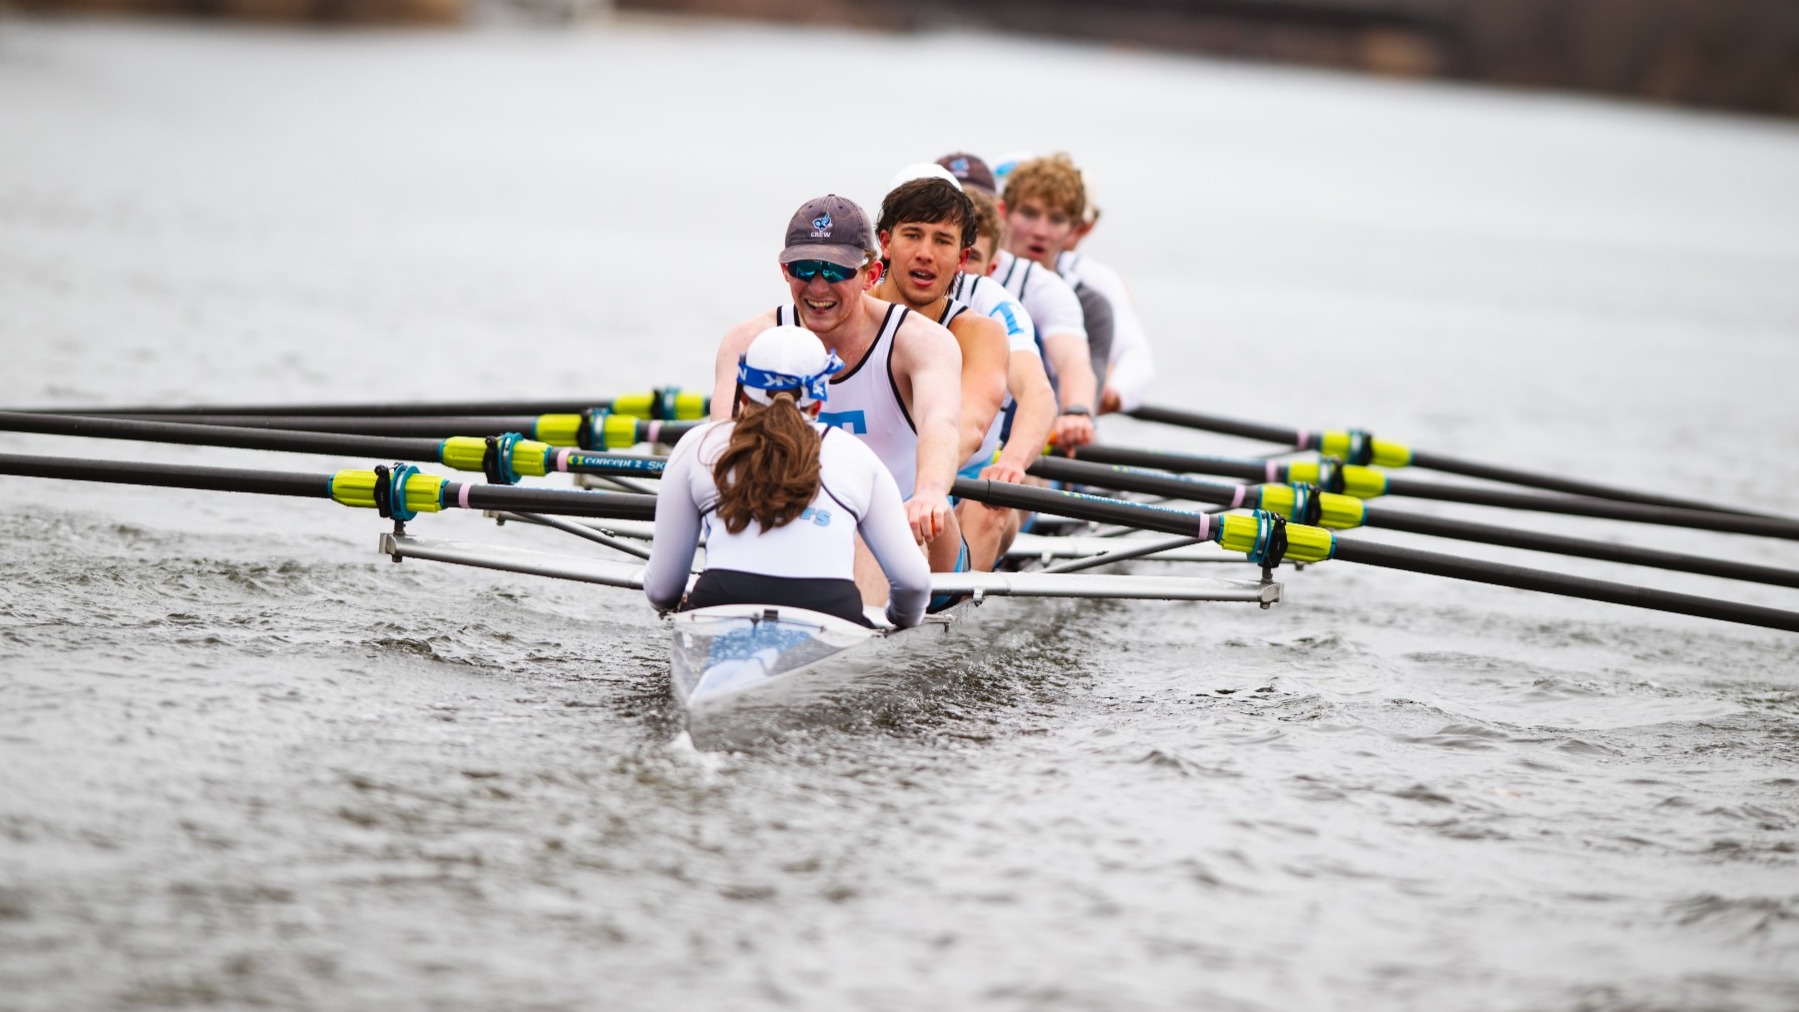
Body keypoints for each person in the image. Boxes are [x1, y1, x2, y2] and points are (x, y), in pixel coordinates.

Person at [710, 194, 965, 590]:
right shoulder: (748, 342)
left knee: (871, 520)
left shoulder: (921, 342)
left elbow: (942, 423)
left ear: (871, 272)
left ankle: (854, 633)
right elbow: (721, 455)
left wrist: (930, 491)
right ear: (784, 270)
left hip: (912, 531)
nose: (817, 286)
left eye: (834, 271)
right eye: (804, 268)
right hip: (798, 526)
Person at [649, 325, 930, 629]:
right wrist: (896, 621)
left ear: (742, 396)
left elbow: (662, 591)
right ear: (820, 402)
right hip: (833, 616)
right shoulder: (858, 457)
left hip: (719, 604)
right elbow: (914, 584)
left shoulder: (698, 445)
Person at [873, 167, 1058, 572]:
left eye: (942, 239)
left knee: (991, 503)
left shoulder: (987, 309)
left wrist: (1012, 462)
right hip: (869, 487)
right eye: (913, 233)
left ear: (962, 255)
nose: (925, 252)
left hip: (962, 485)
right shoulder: (847, 303)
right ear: (886, 241)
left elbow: (1033, 398)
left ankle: (949, 610)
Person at [938, 151, 1098, 451]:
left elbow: (1074, 360)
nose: (1040, 230)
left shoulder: (1042, 287)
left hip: (1011, 438)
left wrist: (1077, 410)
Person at [1001, 153, 1154, 413]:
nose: (1040, 231)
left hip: (1055, 432)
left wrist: (1082, 409)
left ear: (1075, 230)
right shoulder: (972, 274)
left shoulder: (1092, 303)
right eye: (1029, 214)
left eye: (1056, 219)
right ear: (1003, 213)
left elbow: (1092, 382)